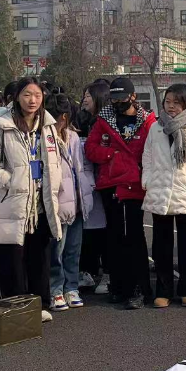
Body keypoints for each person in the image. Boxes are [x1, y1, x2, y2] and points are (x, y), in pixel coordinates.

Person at [0, 76, 64, 322]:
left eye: (38, 95)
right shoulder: (0, 127)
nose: (33, 100)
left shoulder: (47, 126)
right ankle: (16, 309)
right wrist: (16, 181)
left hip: (41, 203)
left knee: (38, 258)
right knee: (12, 260)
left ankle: (39, 305)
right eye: (27, 94)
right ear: (17, 97)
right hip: (12, 203)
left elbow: (55, 161)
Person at [84, 77, 155, 309]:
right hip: (111, 184)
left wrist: (121, 158)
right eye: (113, 98)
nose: (117, 102)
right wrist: (112, 155)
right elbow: (91, 149)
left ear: (133, 96)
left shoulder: (147, 121)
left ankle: (139, 289)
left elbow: (151, 151)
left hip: (134, 185)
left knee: (134, 237)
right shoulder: (103, 120)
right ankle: (118, 286)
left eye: (122, 97)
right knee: (114, 238)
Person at [142, 83, 186, 308]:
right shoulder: (155, 128)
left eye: (176, 103)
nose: (171, 107)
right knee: (161, 247)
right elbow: (148, 157)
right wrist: (148, 180)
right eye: (168, 102)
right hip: (160, 192)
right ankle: (163, 290)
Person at [47, 93, 95, 312]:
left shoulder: (74, 138)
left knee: (73, 249)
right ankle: (56, 289)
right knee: (56, 249)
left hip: (77, 201)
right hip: (58, 202)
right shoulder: (44, 137)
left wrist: (87, 186)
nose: (60, 121)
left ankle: (71, 287)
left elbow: (83, 167)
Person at [77, 79, 111, 294]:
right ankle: (88, 271)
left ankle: (108, 273)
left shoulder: (108, 122)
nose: (84, 100)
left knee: (106, 229)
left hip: (106, 182)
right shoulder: (85, 120)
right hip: (89, 182)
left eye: (88, 96)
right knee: (89, 228)